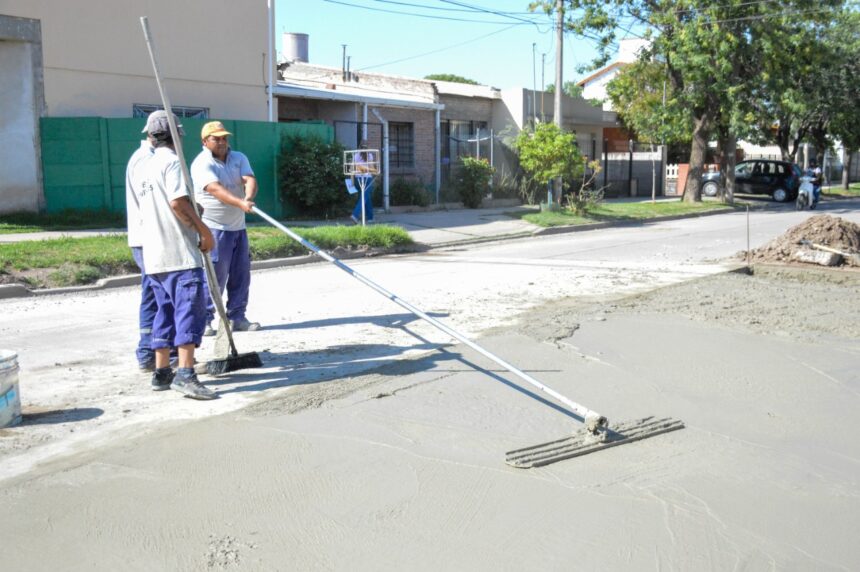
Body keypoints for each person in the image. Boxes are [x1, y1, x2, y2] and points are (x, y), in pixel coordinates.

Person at [130, 110, 216, 399]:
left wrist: (193, 209)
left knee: (164, 311)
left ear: (151, 136)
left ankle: (162, 371)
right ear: (178, 135)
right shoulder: (172, 162)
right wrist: (204, 230)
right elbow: (177, 203)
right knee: (189, 310)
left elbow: (166, 203)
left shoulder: (145, 166)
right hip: (178, 251)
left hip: (154, 254)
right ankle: (186, 374)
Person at [190, 121, 259, 335]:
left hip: (238, 227)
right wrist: (240, 203)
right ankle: (205, 320)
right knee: (214, 277)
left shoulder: (239, 157)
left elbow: (249, 179)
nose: (222, 142)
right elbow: (215, 189)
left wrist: (248, 197)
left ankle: (237, 317)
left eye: (224, 138)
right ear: (205, 141)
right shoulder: (201, 163)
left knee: (241, 275)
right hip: (214, 227)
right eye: (216, 139)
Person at [350, 145, 375, 224]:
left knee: (367, 197)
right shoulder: (369, 155)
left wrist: (352, 181)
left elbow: (351, 169)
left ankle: (370, 217)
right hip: (367, 179)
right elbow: (372, 169)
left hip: (358, 179)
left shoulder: (356, 155)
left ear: (359, 148)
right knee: (364, 197)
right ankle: (355, 215)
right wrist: (374, 170)